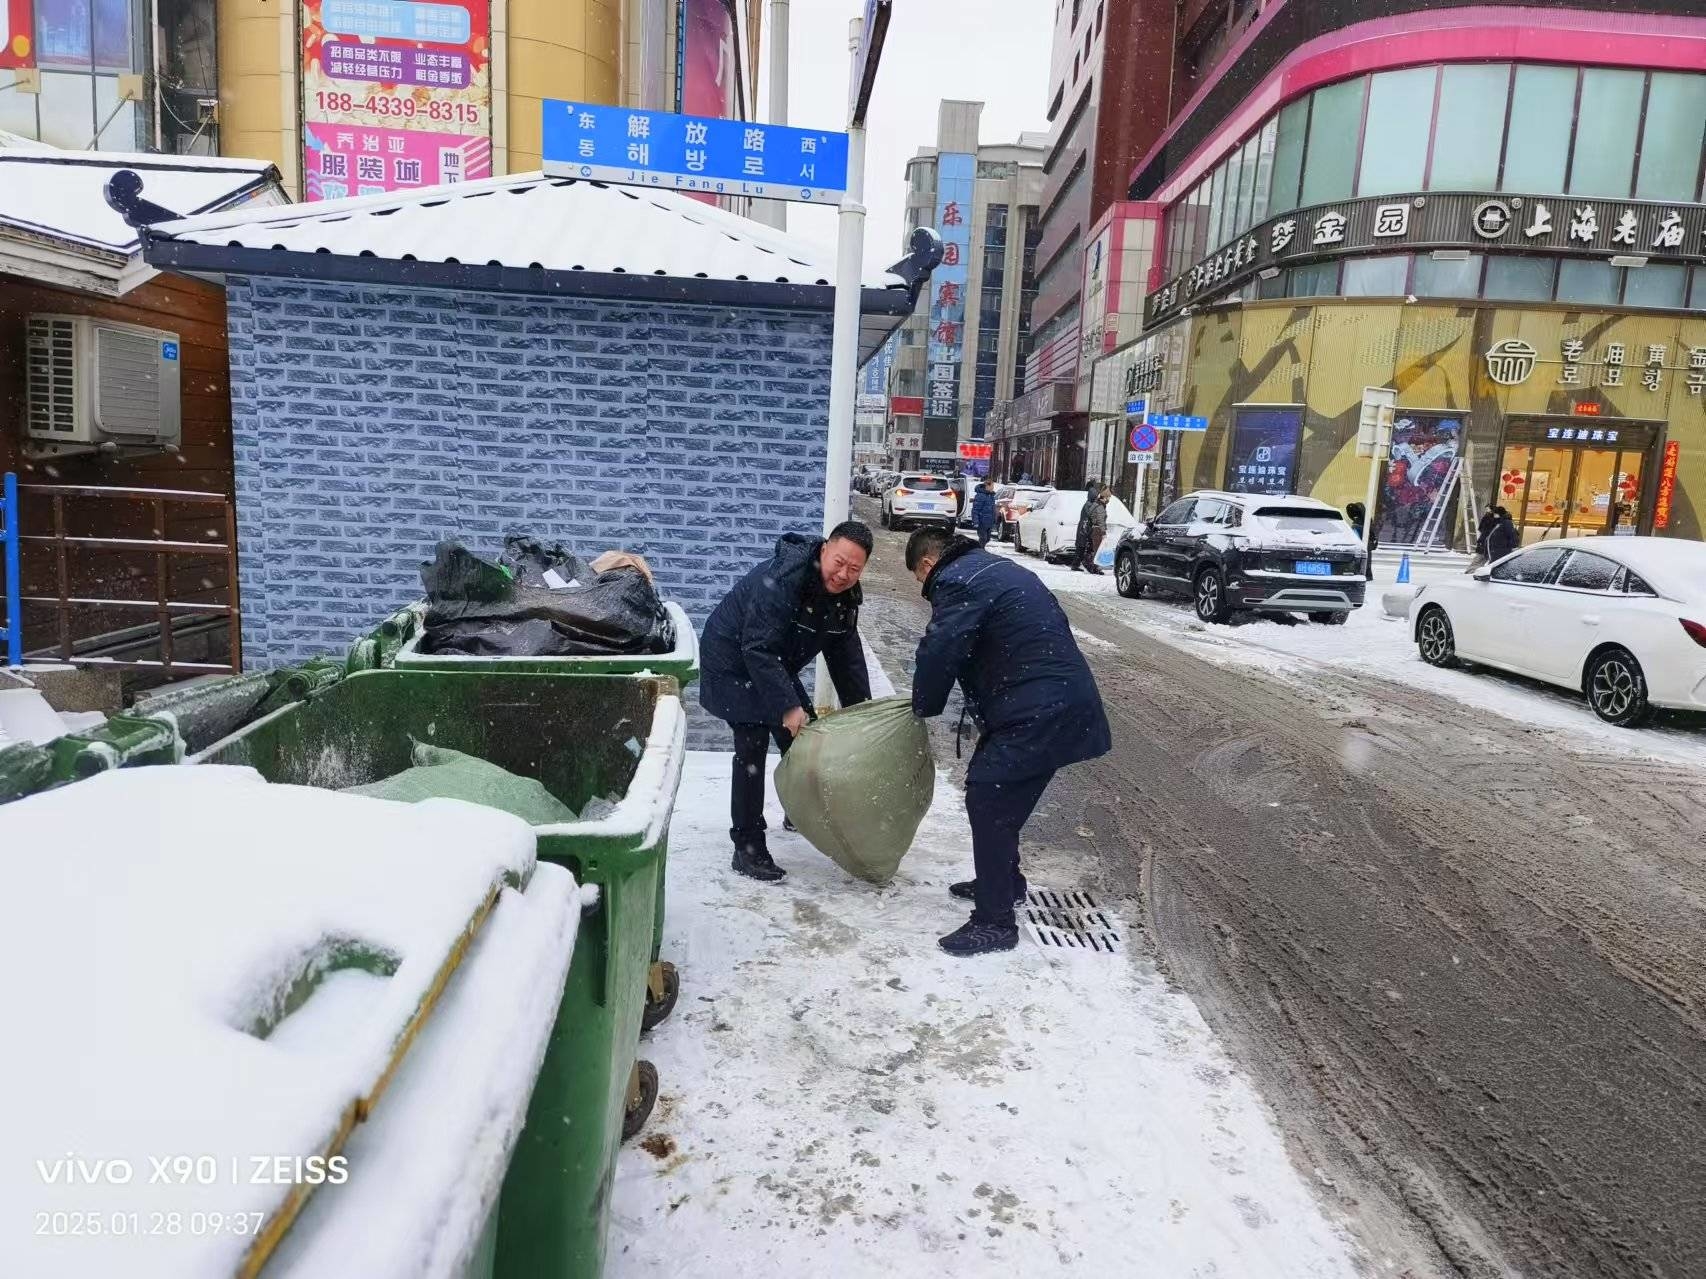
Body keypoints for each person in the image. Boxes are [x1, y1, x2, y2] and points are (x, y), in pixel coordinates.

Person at [905, 525, 1112, 956]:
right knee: (998, 797)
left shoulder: (957, 580)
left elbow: (940, 646)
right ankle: (1005, 882)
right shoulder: (993, 569)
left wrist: (922, 706)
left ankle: (995, 921)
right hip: (1050, 702)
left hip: (1037, 710)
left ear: (927, 565)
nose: (926, 588)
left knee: (989, 798)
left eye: (919, 580)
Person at [699, 523, 874, 882]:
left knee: (803, 738)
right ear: (824, 550)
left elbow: (846, 658)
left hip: (772, 661)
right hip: (733, 659)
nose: (843, 575)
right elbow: (757, 646)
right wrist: (787, 705)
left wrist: (863, 712)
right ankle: (747, 847)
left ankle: (800, 809)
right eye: (838, 562)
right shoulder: (783, 580)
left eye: (854, 570)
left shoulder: (844, 598)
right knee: (753, 747)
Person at [1072, 478, 1101, 573]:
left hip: (1084, 528)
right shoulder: (1089, 505)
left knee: (1082, 548)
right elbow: (1092, 516)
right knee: (1083, 548)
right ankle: (1080, 564)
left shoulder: (1089, 504)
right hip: (1084, 528)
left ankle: (1077, 564)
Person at [1345, 501, 1376, 582]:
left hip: (1362, 543)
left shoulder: (1358, 524)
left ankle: (1364, 573)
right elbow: (1372, 533)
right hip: (1365, 543)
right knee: (1366, 560)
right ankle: (1367, 574)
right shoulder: (1366, 521)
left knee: (1364, 560)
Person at [970, 474, 999, 546]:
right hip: (982, 522)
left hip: (989, 522)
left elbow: (992, 509)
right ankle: (980, 552)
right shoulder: (981, 496)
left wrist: (994, 520)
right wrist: (976, 522)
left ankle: (981, 550)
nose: (993, 488)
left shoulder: (991, 496)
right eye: (992, 486)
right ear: (987, 486)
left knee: (987, 539)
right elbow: (975, 510)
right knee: (983, 539)